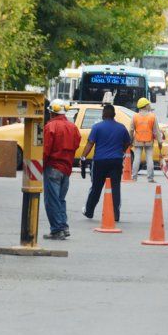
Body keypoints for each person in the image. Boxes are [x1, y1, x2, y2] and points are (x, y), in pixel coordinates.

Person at [81, 105, 131, 221]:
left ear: (103, 114)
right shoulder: (121, 128)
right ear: (114, 115)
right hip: (116, 161)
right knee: (115, 188)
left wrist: (83, 156)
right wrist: (121, 151)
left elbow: (90, 143)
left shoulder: (97, 127)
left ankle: (89, 211)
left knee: (96, 188)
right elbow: (127, 142)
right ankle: (115, 215)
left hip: (100, 162)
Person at [42, 99, 82, 240]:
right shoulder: (72, 127)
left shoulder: (50, 126)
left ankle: (57, 230)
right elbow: (76, 144)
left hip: (53, 167)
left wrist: (41, 165)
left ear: (51, 112)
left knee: (52, 200)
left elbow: (46, 149)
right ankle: (63, 227)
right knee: (60, 199)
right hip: (66, 168)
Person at [128, 97, 163, 182]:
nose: (149, 105)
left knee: (137, 159)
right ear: (145, 106)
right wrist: (160, 142)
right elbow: (156, 131)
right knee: (149, 159)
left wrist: (130, 141)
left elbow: (131, 130)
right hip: (149, 141)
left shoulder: (135, 117)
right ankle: (150, 178)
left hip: (138, 141)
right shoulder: (152, 117)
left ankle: (134, 177)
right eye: (148, 104)